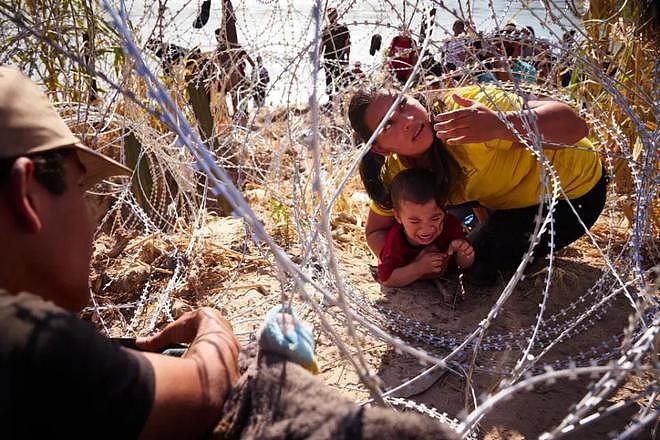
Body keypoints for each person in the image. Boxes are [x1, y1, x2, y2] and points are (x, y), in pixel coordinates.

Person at [0, 66, 240, 438]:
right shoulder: (27, 337)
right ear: (27, 195)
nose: (93, 221)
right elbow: (208, 388)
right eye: (80, 189)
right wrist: (211, 323)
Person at [348, 84, 607, 286]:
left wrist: (501, 125)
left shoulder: (468, 112)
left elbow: (576, 127)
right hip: (503, 197)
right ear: (380, 149)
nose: (407, 121)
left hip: (573, 195)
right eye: (388, 124)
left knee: (478, 266)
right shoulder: (397, 170)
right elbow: (376, 231)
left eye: (403, 104)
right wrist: (409, 266)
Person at [378, 168, 474, 287]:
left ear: (445, 210)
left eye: (435, 218)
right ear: (398, 217)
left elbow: (464, 265)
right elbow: (386, 279)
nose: (426, 229)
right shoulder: (396, 240)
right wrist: (418, 268)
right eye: (415, 221)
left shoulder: (450, 225)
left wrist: (463, 253)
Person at [321, 7, 351, 98]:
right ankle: (335, 101)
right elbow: (322, 45)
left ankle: (334, 102)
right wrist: (347, 59)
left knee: (334, 79)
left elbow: (347, 45)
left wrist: (347, 59)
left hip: (335, 57)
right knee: (334, 80)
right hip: (333, 57)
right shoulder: (328, 30)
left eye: (330, 16)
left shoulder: (339, 29)